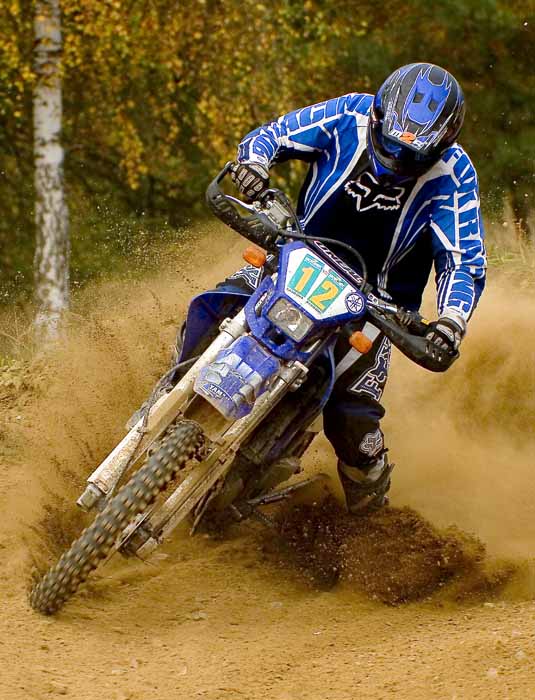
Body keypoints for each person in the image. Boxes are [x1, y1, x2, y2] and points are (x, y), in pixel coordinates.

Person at [223, 62, 486, 514]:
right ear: (378, 117)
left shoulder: (453, 174)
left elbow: (462, 260)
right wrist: (254, 165)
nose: (396, 160)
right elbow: (274, 134)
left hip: (376, 306)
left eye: (412, 155)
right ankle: (171, 389)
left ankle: (370, 516)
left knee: (352, 418)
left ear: (442, 145)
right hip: (295, 258)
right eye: (390, 143)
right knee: (219, 303)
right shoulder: (349, 113)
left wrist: (450, 322)